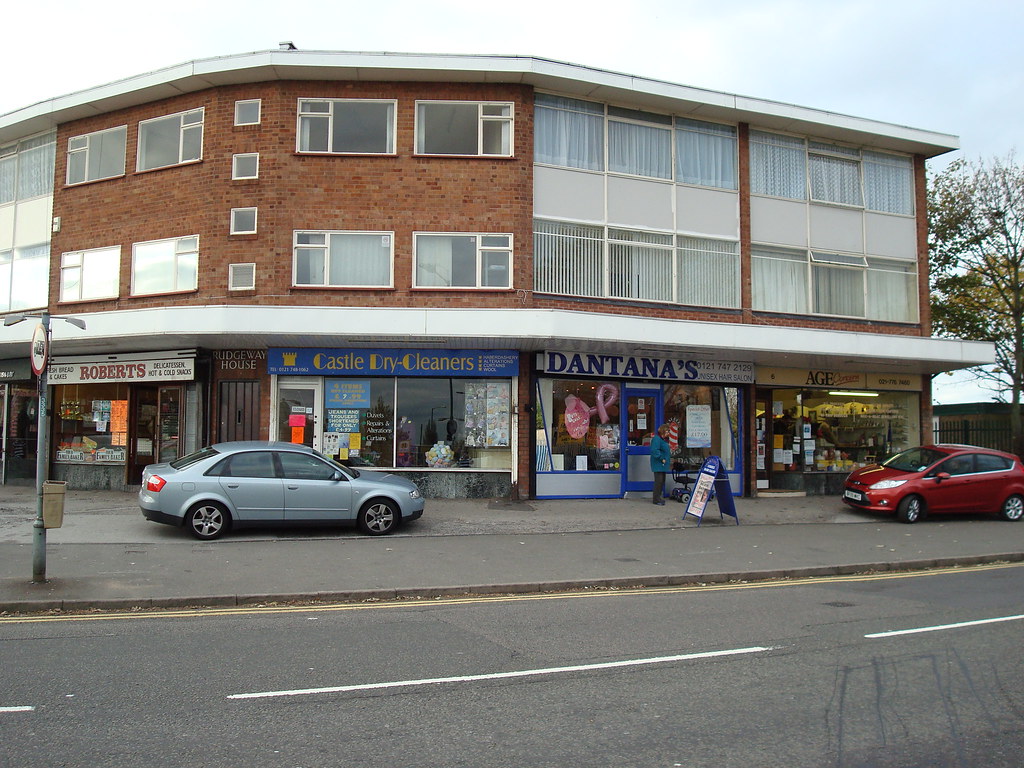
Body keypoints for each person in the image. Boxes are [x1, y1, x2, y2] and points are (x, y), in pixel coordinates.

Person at [650, 423, 671, 505]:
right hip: (658, 464)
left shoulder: (662, 440)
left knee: (662, 481)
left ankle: (659, 497)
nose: (668, 433)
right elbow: (655, 450)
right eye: (667, 431)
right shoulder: (657, 439)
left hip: (662, 465)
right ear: (663, 431)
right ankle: (656, 499)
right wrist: (661, 458)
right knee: (658, 482)